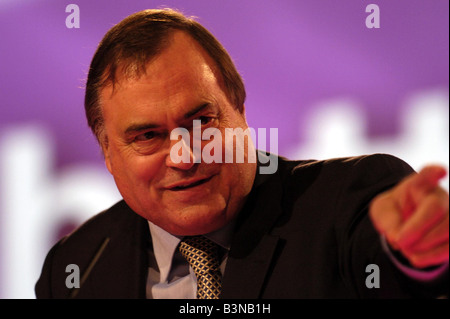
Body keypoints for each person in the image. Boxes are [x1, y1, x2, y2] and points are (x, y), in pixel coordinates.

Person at [35, 8, 448, 299]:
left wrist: (417, 256)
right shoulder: (74, 270)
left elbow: (400, 271)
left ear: (241, 113)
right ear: (108, 154)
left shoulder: (348, 203)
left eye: (201, 121)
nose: (183, 156)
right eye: (147, 136)